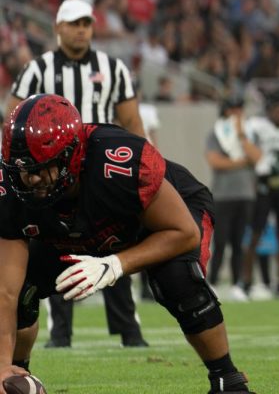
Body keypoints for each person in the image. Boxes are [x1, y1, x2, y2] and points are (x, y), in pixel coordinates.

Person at [0, 94, 255, 393]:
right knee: (22, 292)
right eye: (22, 170)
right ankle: (17, 375)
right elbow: (6, 290)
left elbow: (184, 232)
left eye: (40, 169)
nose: (29, 180)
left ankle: (228, 380)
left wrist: (115, 264)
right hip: (79, 224)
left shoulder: (117, 162)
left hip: (159, 218)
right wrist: (2, 365)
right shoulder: (12, 189)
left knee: (178, 279)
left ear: (71, 155)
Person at [7, 0, 148, 349]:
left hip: (100, 173)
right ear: (58, 27)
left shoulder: (111, 67)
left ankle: (129, 330)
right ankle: (60, 333)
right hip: (52, 175)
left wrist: (141, 167)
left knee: (114, 241)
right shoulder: (37, 70)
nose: (81, 29)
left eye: (86, 22)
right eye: (74, 23)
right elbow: (14, 125)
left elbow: (131, 121)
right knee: (56, 245)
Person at [242, 93, 279, 298]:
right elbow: (245, 146)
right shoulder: (257, 126)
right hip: (265, 183)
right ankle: (247, 281)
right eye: (275, 109)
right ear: (268, 110)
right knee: (256, 232)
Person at [204, 95, 261, 300]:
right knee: (220, 242)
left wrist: (242, 137)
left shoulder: (250, 133)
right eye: (233, 110)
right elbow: (215, 161)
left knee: (239, 242)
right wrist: (240, 162)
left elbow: (257, 158)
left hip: (245, 194)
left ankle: (238, 283)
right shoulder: (216, 133)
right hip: (223, 195)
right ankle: (214, 282)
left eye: (239, 110)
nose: (237, 114)